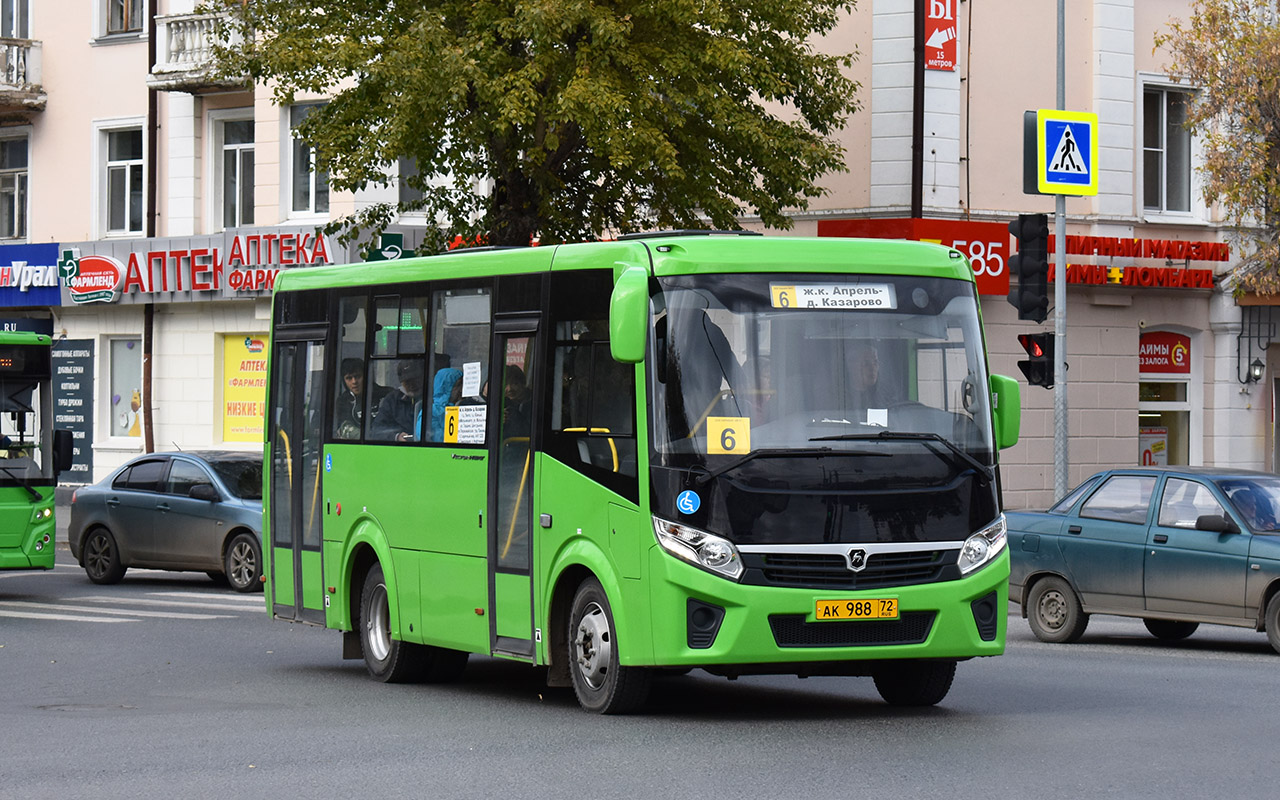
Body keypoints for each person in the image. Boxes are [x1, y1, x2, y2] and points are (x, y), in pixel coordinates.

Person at [371, 359, 425, 442]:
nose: (412, 385)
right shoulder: (392, 400)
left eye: (415, 380)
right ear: (401, 383)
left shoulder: (433, 398)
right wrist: (396, 436)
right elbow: (376, 430)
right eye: (407, 382)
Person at [334, 358, 388, 439]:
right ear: (344, 380)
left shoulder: (387, 394)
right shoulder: (343, 401)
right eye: (349, 378)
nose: (354, 381)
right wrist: (370, 438)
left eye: (357, 376)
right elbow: (345, 426)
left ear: (366, 376)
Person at [429, 367, 464, 442]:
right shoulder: (430, 412)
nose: (461, 390)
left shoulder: (463, 407)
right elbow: (439, 439)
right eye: (458, 386)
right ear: (446, 387)